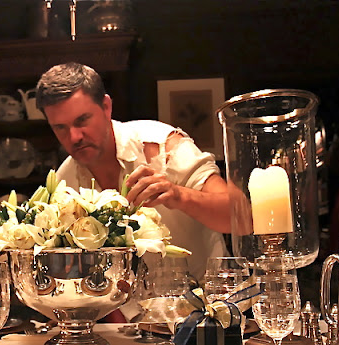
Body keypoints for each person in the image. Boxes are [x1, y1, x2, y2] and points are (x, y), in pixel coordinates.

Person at [35, 62, 230, 294]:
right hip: (129, 312)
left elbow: (237, 218)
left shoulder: (163, 146)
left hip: (209, 301)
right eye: (60, 127)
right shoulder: (64, 182)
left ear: (106, 107)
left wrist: (179, 195)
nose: (74, 136)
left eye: (82, 120)